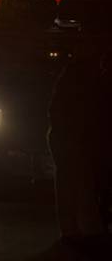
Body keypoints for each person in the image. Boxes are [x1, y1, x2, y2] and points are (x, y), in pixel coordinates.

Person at [48, 46, 111, 257]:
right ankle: (85, 230)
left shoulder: (81, 77)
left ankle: (77, 230)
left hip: (72, 136)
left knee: (73, 184)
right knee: (80, 183)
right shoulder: (86, 82)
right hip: (71, 137)